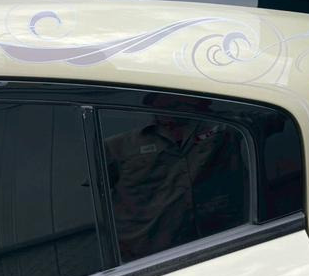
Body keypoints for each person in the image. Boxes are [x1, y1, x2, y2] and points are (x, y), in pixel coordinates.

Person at [104, 94, 247, 262]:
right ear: (150, 103)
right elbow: (97, 200)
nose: (171, 103)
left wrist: (206, 109)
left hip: (224, 241)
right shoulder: (117, 146)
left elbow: (266, 117)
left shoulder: (223, 128)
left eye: (177, 100)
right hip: (151, 256)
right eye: (161, 96)